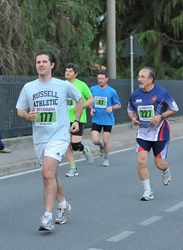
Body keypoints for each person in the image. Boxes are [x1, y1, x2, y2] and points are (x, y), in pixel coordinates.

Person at [15, 50, 83, 231]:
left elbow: (80, 99)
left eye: (44, 61)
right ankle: (63, 205)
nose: (41, 64)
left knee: (46, 174)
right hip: (40, 138)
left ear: (52, 65)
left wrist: (76, 120)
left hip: (59, 136)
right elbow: (20, 109)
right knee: (51, 175)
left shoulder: (63, 85)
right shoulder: (29, 87)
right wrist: (27, 116)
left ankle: (47, 217)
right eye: (38, 62)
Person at [127, 67, 179, 201]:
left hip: (160, 133)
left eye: (143, 77)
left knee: (159, 164)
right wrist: (133, 118)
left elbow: (174, 108)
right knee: (141, 161)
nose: (140, 79)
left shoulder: (162, 93)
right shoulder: (135, 95)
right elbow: (130, 110)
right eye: (139, 76)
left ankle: (165, 171)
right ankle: (147, 191)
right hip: (143, 134)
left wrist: (160, 116)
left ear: (150, 79)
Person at [64, 63, 94, 177]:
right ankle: (73, 168)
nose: (67, 73)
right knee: (66, 144)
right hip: (64, 119)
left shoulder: (81, 85)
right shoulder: (62, 85)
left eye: (70, 71)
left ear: (75, 73)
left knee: (75, 145)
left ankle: (84, 149)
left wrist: (82, 106)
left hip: (78, 118)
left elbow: (91, 99)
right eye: (66, 71)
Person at [89, 70, 121, 167]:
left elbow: (119, 105)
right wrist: (91, 109)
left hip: (108, 120)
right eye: (99, 78)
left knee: (106, 141)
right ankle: (101, 146)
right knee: (95, 140)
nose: (100, 80)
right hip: (97, 119)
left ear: (107, 79)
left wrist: (112, 107)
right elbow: (89, 101)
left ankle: (106, 159)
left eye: (102, 78)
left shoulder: (112, 91)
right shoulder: (93, 89)